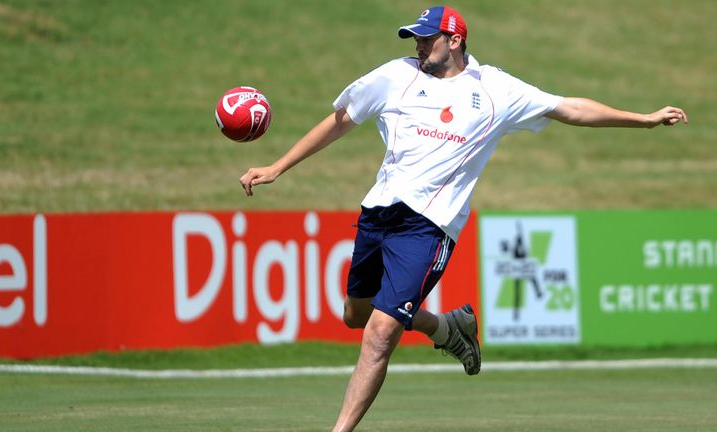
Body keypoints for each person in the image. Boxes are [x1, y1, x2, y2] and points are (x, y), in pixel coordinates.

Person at [239, 5, 688, 431]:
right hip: (378, 212)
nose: (417, 46)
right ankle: (449, 328)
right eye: (414, 38)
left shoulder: (496, 90)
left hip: (428, 226)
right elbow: (341, 119)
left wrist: (643, 120)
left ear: (454, 39)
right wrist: (278, 166)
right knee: (355, 315)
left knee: (379, 332)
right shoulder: (395, 75)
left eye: (426, 39)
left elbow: (569, 108)